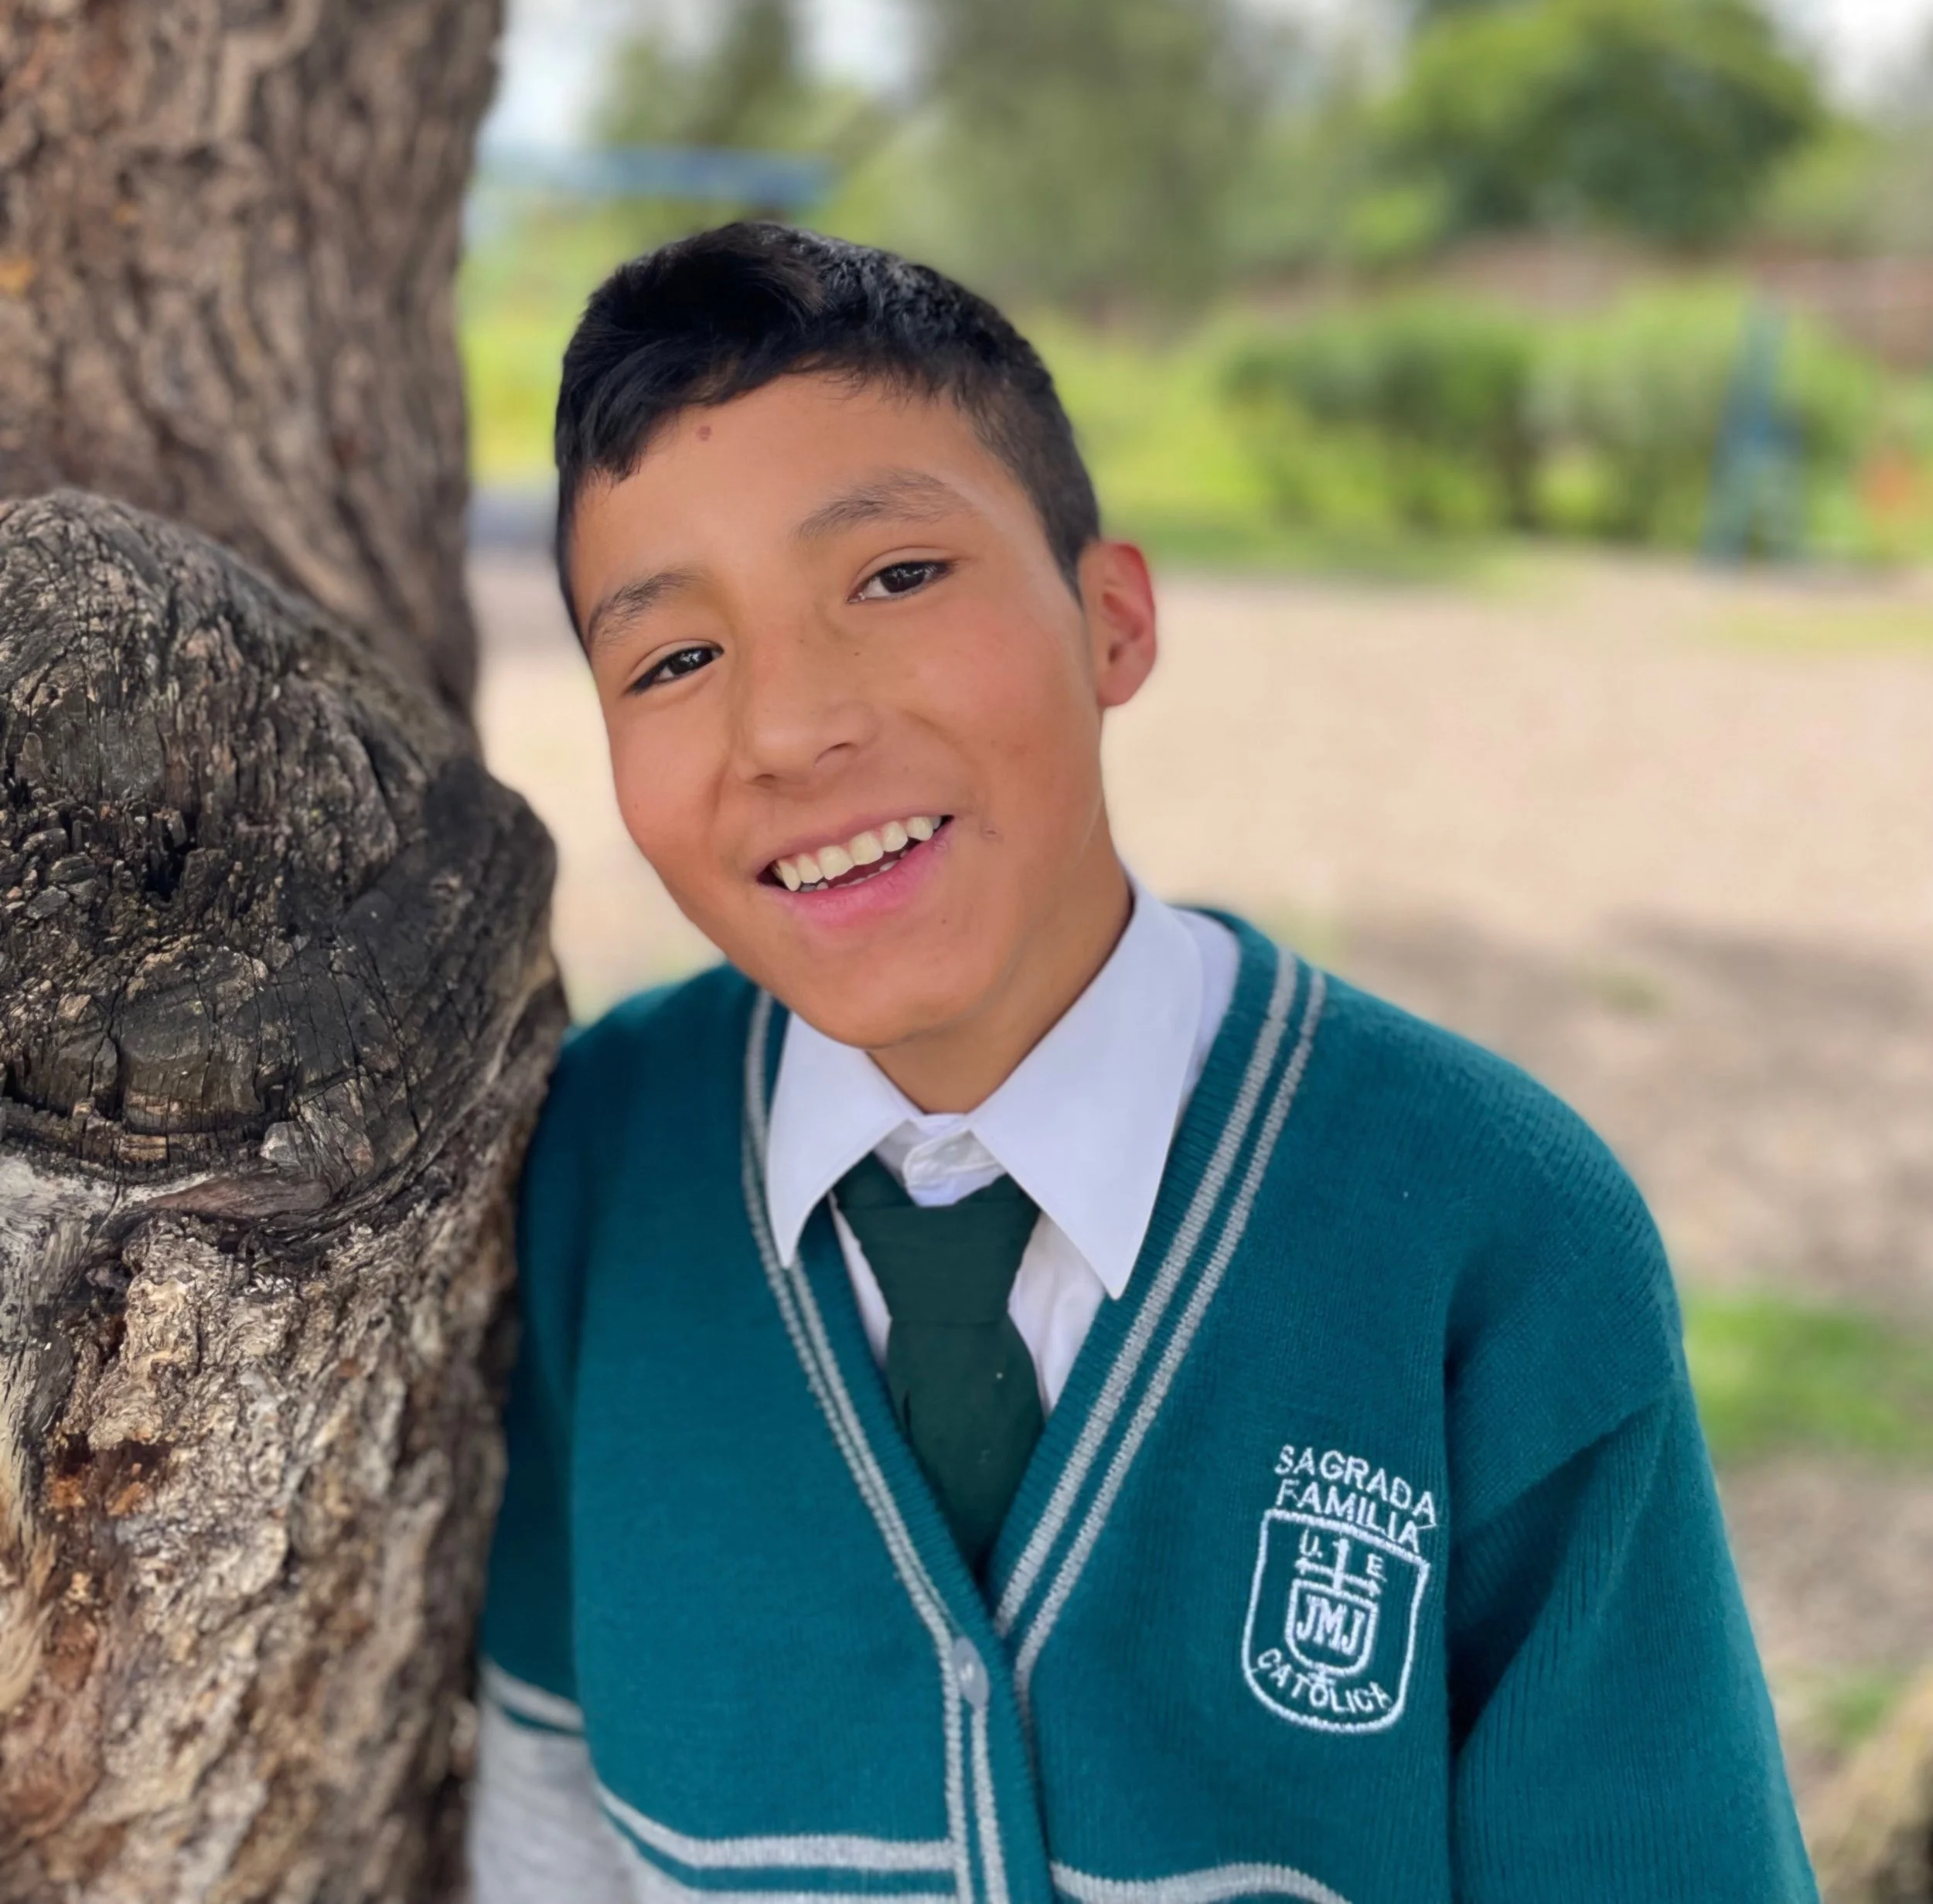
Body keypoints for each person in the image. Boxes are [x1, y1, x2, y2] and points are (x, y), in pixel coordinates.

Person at [469, 223, 1816, 1904]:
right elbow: (551, 1806)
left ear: (1111, 620)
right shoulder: (603, 1160)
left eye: (894, 578)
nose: (791, 727)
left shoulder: (1493, 1233)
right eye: (674, 658)